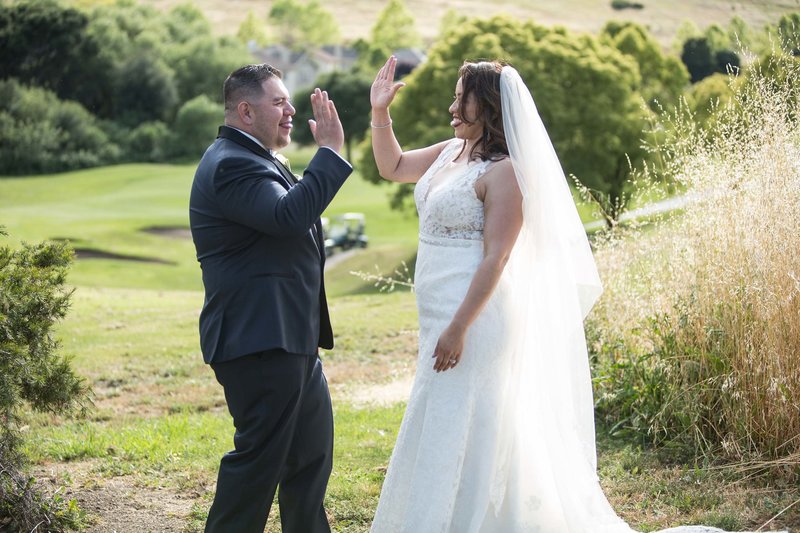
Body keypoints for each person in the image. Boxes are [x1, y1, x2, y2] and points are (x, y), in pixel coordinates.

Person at [367, 57, 770, 533]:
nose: (452, 107)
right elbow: (393, 166)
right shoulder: (449, 152)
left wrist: (459, 327)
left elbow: (496, 257)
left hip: (474, 318)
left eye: (462, 99)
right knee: (444, 416)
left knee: (470, 421)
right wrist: (380, 112)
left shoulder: (506, 173)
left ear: (488, 106)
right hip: (437, 314)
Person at [189, 64, 352, 533]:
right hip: (259, 341)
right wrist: (329, 153)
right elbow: (287, 217)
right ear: (246, 111)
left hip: (289, 338)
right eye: (278, 102)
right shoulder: (231, 164)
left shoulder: (259, 158)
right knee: (257, 470)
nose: (291, 110)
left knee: (310, 459)